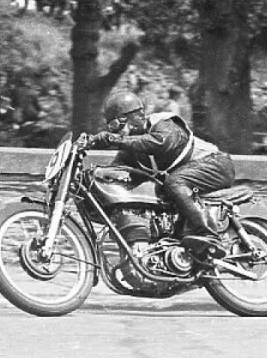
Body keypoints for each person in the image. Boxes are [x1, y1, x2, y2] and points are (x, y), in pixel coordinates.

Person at [91, 91, 235, 257]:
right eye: (112, 128)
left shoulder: (163, 123)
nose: (117, 131)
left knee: (174, 183)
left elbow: (160, 143)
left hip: (215, 164)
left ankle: (208, 235)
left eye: (117, 124)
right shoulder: (131, 150)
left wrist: (113, 140)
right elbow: (116, 171)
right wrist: (98, 173)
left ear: (136, 116)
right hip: (189, 176)